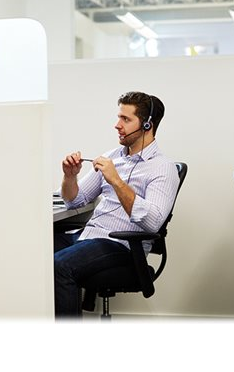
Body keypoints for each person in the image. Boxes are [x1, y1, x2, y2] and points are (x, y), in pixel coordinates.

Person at [54, 91, 180, 318]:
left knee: (59, 267)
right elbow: (74, 201)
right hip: (87, 236)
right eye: (119, 117)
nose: (117, 125)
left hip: (120, 246)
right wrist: (69, 176)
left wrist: (116, 181)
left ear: (147, 125)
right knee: (32, 248)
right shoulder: (113, 156)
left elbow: (153, 222)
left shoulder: (163, 168)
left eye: (126, 119)